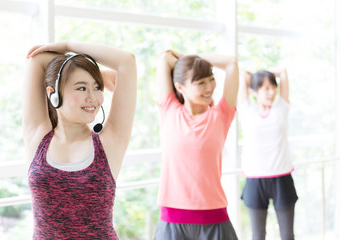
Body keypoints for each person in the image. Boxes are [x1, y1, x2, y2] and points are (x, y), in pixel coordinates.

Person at [23, 42, 137, 239]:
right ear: (54, 95)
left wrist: (68, 45)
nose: (93, 98)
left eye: (97, 87)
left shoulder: (110, 142)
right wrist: (79, 67)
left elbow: (126, 61)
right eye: (82, 88)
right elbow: (37, 60)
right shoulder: (37, 136)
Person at [154, 50, 239, 240]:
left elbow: (231, 62)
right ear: (180, 87)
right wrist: (192, 63)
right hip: (172, 221)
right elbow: (165, 59)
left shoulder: (221, 114)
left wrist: (197, 61)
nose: (209, 87)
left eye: (211, 79)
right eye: (200, 82)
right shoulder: (168, 110)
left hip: (214, 219)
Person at [238, 69, 298, 240]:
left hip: (282, 177)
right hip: (255, 180)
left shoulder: (281, 108)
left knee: (287, 235)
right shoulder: (246, 110)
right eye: (265, 88)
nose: (272, 92)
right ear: (254, 91)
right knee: (258, 236)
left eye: (273, 87)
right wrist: (256, 75)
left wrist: (268, 74)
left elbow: (284, 73)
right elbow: (243, 75)